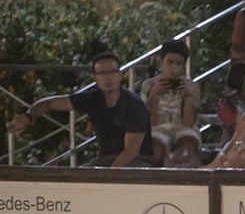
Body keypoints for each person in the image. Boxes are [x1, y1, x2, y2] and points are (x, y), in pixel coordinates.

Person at [8, 52, 153, 167]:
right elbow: (49, 103)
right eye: (102, 73)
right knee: (77, 180)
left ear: (120, 75)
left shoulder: (134, 104)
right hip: (104, 161)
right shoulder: (92, 98)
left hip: (136, 162)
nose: (108, 78)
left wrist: (108, 177)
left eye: (112, 72)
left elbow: (131, 151)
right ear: (95, 78)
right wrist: (28, 117)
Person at [139, 39, 201, 167]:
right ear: (161, 62)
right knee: (155, 152)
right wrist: (153, 95)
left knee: (186, 150)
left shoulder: (191, 86)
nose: (174, 68)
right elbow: (151, 123)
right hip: (157, 129)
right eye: (170, 62)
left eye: (179, 63)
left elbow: (188, 123)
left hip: (183, 128)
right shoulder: (149, 85)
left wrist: (189, 97)